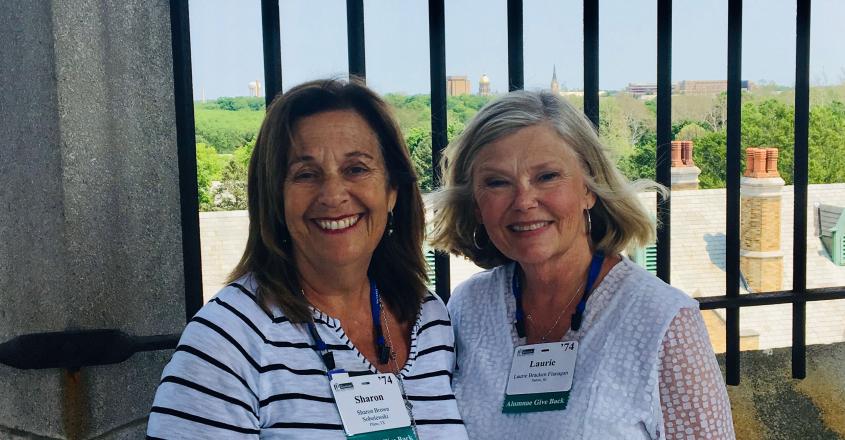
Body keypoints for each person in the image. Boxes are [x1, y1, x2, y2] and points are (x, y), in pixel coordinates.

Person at [148, 79, 468, 439]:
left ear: (392, 191)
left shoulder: (429, 319)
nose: (332, 195)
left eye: (356, 169)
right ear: (275, 199)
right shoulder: (227, 340)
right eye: (305, 174)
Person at [429, 90, 734, 439]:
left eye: (546, 176)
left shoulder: (663, 322)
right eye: (497, 182)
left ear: (589, 187)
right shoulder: (469, 308)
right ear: (476, 204)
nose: (524, 201)